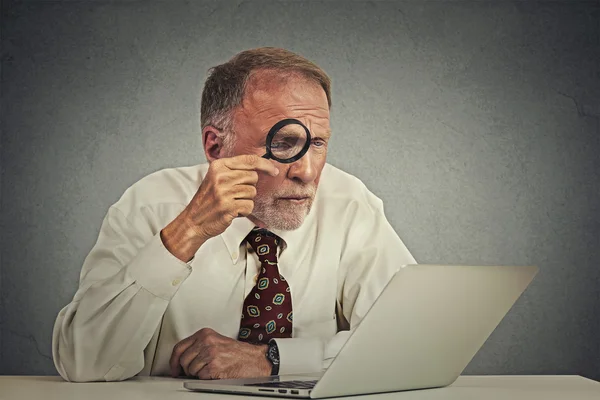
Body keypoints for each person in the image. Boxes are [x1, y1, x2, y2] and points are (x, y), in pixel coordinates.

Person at [52, 47, 416, 382]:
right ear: (215, 145)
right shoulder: (150, 205)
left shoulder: (350, 204)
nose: (307, 171)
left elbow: (412, 343)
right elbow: (83, 364)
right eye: (283, 143)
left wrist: (272, 360)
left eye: (317, 143)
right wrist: (186, 233)